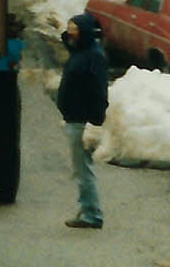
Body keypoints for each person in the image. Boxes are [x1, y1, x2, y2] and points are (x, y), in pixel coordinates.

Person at [57, 12, 108, 230]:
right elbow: (71, 46)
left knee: (83, 170)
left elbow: (99, 92)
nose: (71, 32)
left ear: (85, 32)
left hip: (82, 121)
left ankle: (92, 213)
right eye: (70, 28)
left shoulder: (93, 56)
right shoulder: (81, 51)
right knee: (80, 169)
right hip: (74, 119)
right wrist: (63, 33)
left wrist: (94, 123)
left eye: (75, 29)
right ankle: (86, 208)